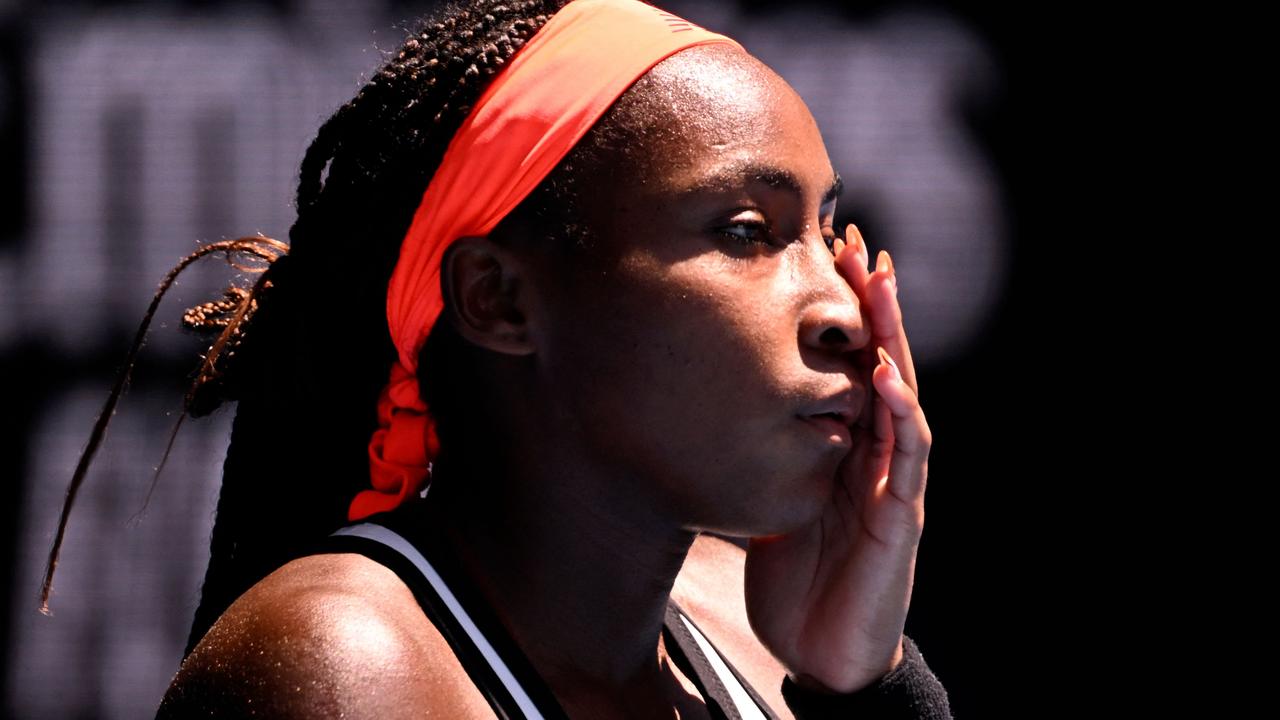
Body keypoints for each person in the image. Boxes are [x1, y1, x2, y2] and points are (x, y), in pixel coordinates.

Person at [41, 0, 953, 716]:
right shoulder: (348, 671)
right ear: (499, 298)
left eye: (827, 232)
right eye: (746, 231)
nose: (844, 307)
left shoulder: (757, 625)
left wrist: (861, 689)